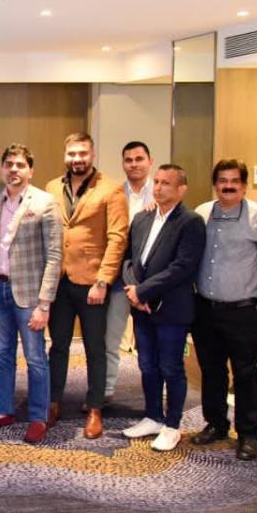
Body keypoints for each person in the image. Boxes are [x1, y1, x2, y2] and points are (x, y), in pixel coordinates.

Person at [192, 159, 257, 461]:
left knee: (245, 374)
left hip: (244, 312)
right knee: (211, 371)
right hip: (206, 309)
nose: (228, 186)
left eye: (234, 181)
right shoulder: (202, 214)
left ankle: (248, 433)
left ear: (244, 186)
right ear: (215, 184)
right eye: (222, 180)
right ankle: (216, 424)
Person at [0, 144, 61, 444]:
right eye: (9, 164)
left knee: (35, 358)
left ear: (31, 170)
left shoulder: (45, 202)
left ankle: (38, 417)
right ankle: (3, 409)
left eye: (20, 164)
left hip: (30, 295)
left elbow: (54, 256)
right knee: (1, 354)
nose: (14, 169)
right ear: (2, 168)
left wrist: (44, 303)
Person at [44, 132, 127, 440]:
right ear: (65, 155)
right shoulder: (52, 187)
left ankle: (94, 408)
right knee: (58, 346)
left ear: (92, 155)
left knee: (95, 347)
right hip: (60, 281)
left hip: (93, 283)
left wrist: (103, 280)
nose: (77, 159)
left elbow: (117, 238)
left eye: (82, 153)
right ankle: (53, 402)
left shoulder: (111, 189)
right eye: (72, 154)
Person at [120, 165, 205, 452]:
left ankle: (172, 425)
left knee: (171, 367)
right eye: (156, 182)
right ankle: (153, 416)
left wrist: (143, 291)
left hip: (171, 309)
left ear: (181, 189)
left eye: (166, 183)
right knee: (147, 365)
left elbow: (182, 267)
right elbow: (128, 259)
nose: (157, 187)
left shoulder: (191, 222)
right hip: (141, 308)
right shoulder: (142, 218)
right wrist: (133, 290)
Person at [103, 141, 154, 404]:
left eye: (139, 159)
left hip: (150, 279)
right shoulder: (114, 193)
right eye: (129, 160)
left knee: (150, 340)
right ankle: (105, 392)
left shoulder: (161, 193)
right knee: (111, 337)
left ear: (150, 162)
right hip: (118, 277)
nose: (134, 164)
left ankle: (154, 393)